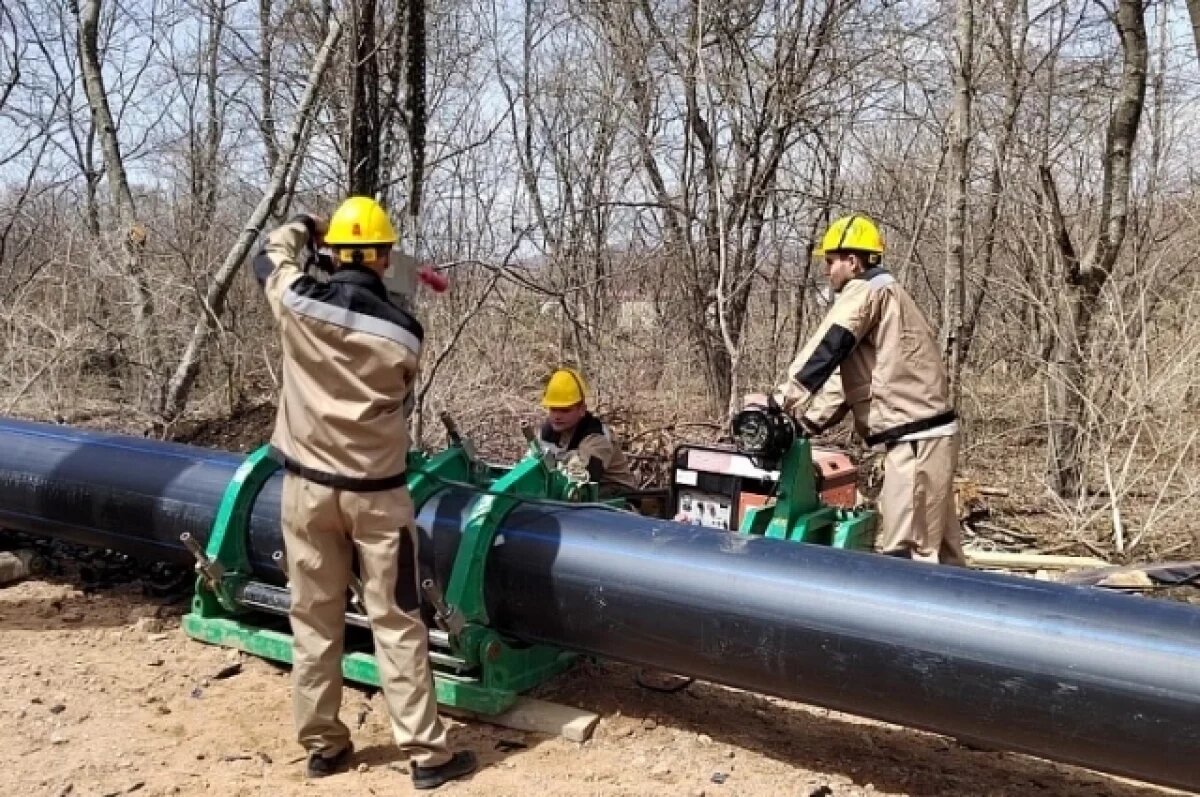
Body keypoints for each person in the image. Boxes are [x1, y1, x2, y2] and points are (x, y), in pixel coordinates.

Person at [253, 196, 477, 788]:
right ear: (383, 257)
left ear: (330, 252)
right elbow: (395, 380)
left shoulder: (298, 301)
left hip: (306, 493)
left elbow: (268, 256)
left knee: (314, 618)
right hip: (378, 499)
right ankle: (428, 756)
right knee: (398, 621)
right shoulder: (405, 332)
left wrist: (307, 227)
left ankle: (325, 746)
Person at [767, 214, 965, 565]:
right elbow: (854, 379)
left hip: (915, 440)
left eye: (830, 262)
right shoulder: (885, 299)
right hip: (922, 436)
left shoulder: (867, 290)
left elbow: (829, 344)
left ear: (853, 261)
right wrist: (806, 423)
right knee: (942, 554)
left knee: (908, 554)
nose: (827, 271)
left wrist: (782, 399)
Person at [539, 368, 639, 496]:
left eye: (565, 410)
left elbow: (585, 477)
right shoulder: (547, 432)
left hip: (617, 493)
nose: (557, 416)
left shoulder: (597, 437)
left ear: (582, 410)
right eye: (553, 409)